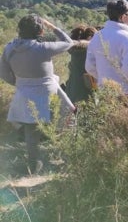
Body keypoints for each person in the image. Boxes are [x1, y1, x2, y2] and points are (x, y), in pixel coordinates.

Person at [0, 14, 74, 174]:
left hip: (24, 93)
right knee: (68, 119)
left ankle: (34, 167)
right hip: (50, 92)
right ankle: (68, 159)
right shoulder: (43, 48)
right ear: (40, 31)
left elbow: (4, 73)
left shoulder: (10, 48)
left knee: (31, 132)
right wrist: (53, 27)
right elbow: (69, 42)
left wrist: (20, 83)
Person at [86, 0, 128, 94]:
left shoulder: (97, 36)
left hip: (105, 92)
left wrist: (105, 79)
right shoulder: (126, 38)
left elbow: (90, 67)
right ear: (123, 16)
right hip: (127, 93)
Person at [65, 25, 97, 102]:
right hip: (86, 90)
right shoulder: (88, 51)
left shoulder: (76, 51)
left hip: (72, 88)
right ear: (89, 37)